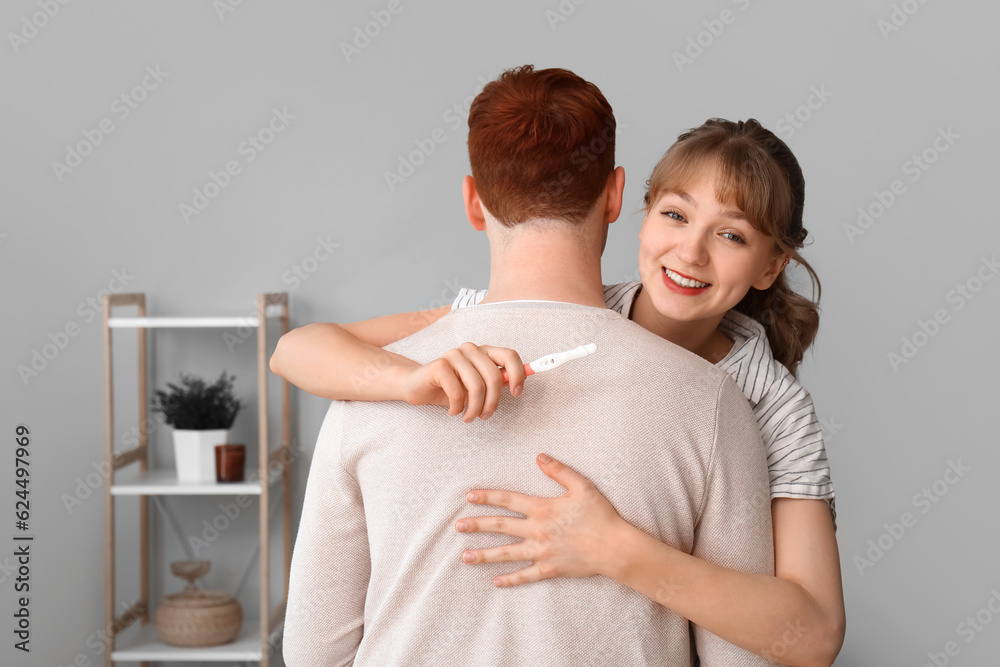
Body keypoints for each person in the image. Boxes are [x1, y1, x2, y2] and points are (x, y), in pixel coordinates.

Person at [274, 114, 845, 665]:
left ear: (771, 266)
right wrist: (405, 379)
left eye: (730, 234)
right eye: (675, 214)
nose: (691, 252)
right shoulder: (547, 311)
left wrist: (615, 549)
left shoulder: (769, 406)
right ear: (634, 210)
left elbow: (815, 634)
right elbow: (295, 349)